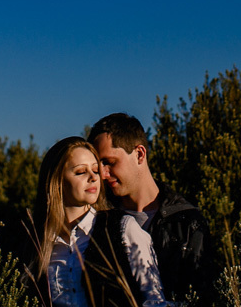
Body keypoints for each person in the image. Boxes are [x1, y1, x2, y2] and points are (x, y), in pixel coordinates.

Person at [25, 136, 174, 307]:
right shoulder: (36, 241)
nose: (93, 177)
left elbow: (155, 300)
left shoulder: (122, 227)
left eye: (95, 170)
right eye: (81, 172)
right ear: (57, 180)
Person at [88, 114, 214, 306]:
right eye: (99, 166)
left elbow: (202, 298)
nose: (103, 174)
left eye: (110, 162)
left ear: (139, 154)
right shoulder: (98, 222)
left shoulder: (187, 222)